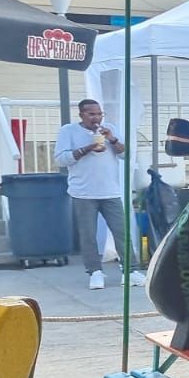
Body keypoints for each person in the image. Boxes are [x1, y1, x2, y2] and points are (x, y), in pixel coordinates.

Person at [53, 99, 144, 290]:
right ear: (81, 115)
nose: (96, 118)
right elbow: (61, 160)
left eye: (99, 114)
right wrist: (87, 148)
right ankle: (95, 272)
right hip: (83, 192)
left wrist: (112, 139)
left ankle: (130, 271)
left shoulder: (109, 128)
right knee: (88, 235)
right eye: (91, 114)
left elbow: (124, 153)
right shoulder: (68, 131)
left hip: (110, 191)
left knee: (121, 232)